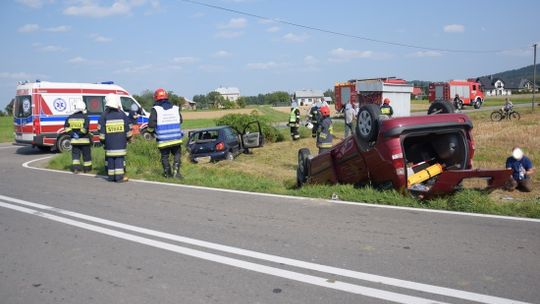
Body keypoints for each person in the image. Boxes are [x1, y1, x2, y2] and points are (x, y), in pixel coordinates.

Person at [147, 88, 184, 179]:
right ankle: (176, 172)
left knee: (165, 156)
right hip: (176, 138)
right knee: (177, 154)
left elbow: (151, 124)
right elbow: (180, 121)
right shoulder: (175, 108)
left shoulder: (155, 109)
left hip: (163, 139)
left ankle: (168, 174)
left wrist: (152, 131)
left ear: (156, 98)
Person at [98, 94, 132, 183]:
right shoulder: (122, 114)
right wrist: (129, 138)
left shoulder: (104, 115)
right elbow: (128, 128)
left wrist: (103, 141)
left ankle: (111, 177)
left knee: (111, 159)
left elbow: (101, 131)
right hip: (120, 143)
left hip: (109, 143)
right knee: (119, 160)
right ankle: (119, 177)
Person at [64, 100, 92, 173]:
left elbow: (66, 128)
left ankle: (76, 168)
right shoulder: (85, 117)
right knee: (86, 156)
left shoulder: (69, 117)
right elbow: (85, 129)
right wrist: (79, 134)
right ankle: (87, 169)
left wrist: (73, 134)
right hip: (84, 141)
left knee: (75, 156)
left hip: (74, 141)